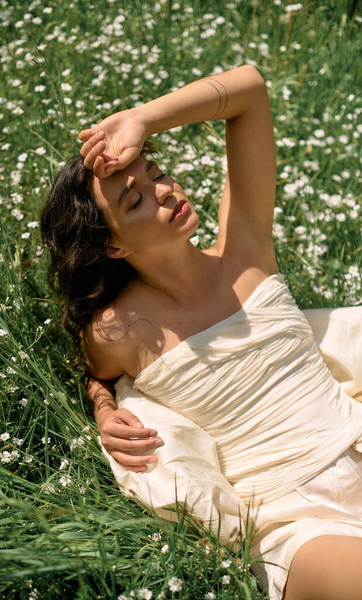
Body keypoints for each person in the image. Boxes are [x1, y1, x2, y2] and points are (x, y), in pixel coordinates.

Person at [41, 65, 362, 600]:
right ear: (113, 247)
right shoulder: (117, 329)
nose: (165, 190)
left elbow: (251, 92)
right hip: (297, 519)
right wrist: (103, 407)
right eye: (136, 199)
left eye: (156, 172)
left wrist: (143, 118)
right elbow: (95, 374)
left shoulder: (245, 251)